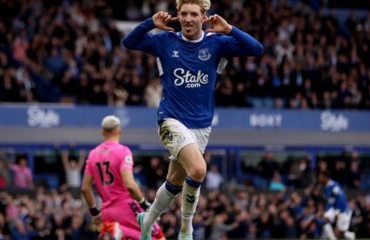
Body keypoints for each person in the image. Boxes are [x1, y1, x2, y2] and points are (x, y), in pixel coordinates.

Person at [122, 0, 263, 239]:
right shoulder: (166, 41)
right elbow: (129, 42)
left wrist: (230, 30)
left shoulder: (217, 44)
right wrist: (150, 23)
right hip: (170, 120)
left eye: (193, 14)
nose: (188, 19)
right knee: (198, 169)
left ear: (203, 16)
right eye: (184, 13)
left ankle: (148, 218)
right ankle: (186, 227)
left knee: (175, 182)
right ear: (178, 15)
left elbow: (257, 49)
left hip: (201, 126)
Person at [81, 115, 165, 240]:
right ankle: (115, 230)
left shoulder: (93, 155)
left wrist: (94, 212)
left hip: (107, 212)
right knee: (158, 237)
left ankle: (116, 231)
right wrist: (145, 205)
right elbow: (130, 184)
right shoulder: (123, 151)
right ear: (119, 131)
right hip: (126, 206)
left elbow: (85, 189)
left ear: (102, 132)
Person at [318, 171, 355, 240]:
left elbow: (341, 198)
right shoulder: (326, 187)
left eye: (320, 177)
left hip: (342, 210)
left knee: (340, 233)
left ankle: (351, 236)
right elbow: (330, 202)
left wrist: (338, 211)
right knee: (324, 220)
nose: (319, 179)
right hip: (334, 209)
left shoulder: (333, 186)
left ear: (325, 177)